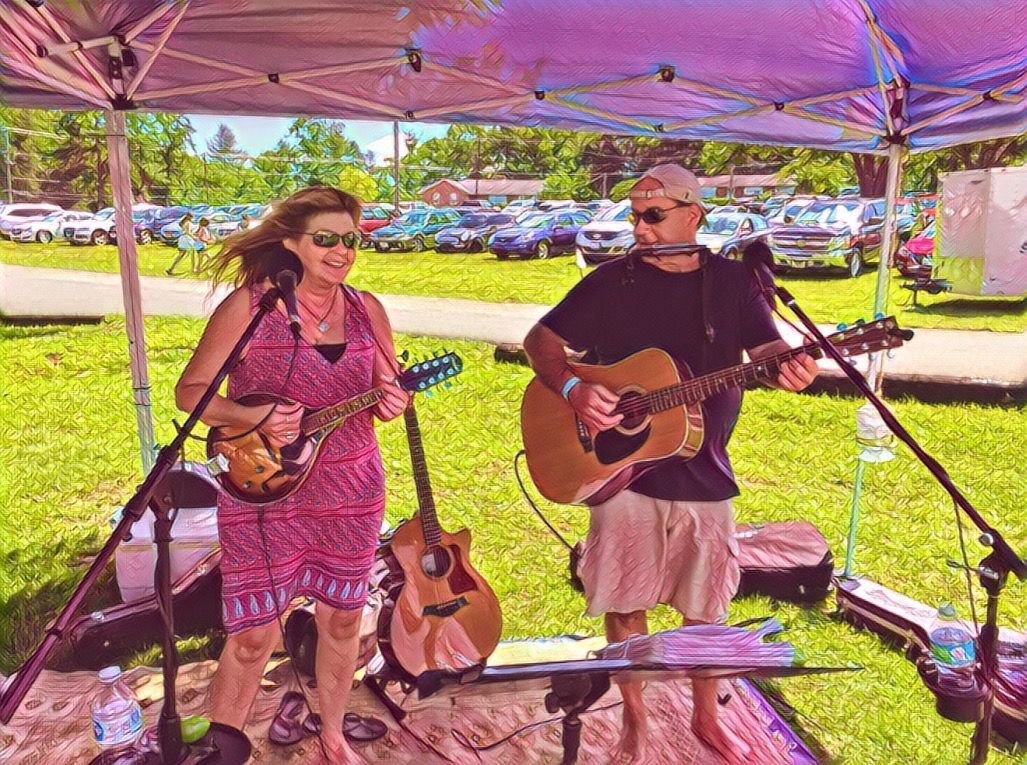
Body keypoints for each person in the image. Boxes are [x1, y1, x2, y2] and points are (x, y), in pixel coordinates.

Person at [522, 164, 819, 765]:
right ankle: (635, 721)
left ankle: (706, 718)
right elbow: (541, 343)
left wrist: (791, 366)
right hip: (620, 473)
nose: (640, 227)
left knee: (705, 609)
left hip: (704, 470)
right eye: (634, 215)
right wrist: (575, 388)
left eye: (652, 216)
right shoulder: (612, 281)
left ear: (693, 214)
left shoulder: (733, 281)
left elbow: (765, 350)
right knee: (624, 603)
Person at [175, 186, 409, 765]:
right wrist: (252, 414)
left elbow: (387, 385)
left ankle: (331, 733)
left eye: (351, 240)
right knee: (255, 635)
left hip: (351, 488)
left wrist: (391, 400)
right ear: (290, 244)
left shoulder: (367, 310)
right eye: (325, 239)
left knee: (343, 619)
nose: (342, 251)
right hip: (264, 489)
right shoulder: (250, 307)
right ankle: (221, 749)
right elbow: (190, 393)